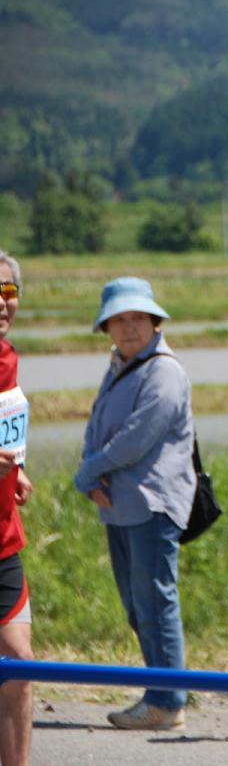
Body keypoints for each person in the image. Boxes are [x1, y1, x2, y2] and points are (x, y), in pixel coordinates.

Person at [74, 277, 194, 731]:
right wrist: (90, 468)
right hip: (119, 503)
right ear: (107, 327)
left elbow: (138, 438)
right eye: (119, 319)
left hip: (153, 502)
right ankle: (158, 693)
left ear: (154, 322)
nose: (128, 327)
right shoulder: (120, 365)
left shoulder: (162, 370)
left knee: (155, 600)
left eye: (137, 318)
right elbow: (97, 425)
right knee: (135, 602)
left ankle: (168, 701)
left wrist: (88, 471)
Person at [0, 250, 33, 766]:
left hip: (4, 538)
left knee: (20, 665)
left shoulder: (7, 358)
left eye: (8, 291)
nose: (2, 302)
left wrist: (16, 469)